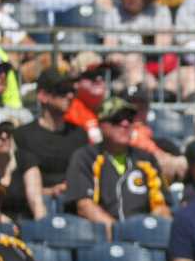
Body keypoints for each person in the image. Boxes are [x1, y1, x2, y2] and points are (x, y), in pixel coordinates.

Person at [65, 98, 172, 239]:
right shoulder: (85, 157)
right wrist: (120, 233)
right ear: (101, 124)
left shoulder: (146, 159)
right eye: (117, 119)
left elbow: (161, 206)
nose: (125, 123)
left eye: (129, 119)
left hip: (142, 235)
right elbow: (85, 206)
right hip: (100, 239)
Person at [13, 68, 87, 199]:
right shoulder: (24, 135)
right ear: (43, 96)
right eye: (62, 91)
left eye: (72, 91)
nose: (70, 96)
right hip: (37, 203)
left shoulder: (79, 134)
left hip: (73, 202)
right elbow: (17, 186)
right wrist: (50, 191)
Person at [102, 0, 176, 92]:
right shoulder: (113, 15)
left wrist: (138, 57)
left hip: (157, 70)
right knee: (136, 72)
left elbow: (162, 47)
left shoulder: (160, 12)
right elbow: (111, 51)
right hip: (124, 72)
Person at [64, 51, 110, 145]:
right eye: (92, 75)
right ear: (75, 82)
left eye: (101, 73)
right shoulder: (70, 111)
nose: (99, 79)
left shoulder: (111, 107)